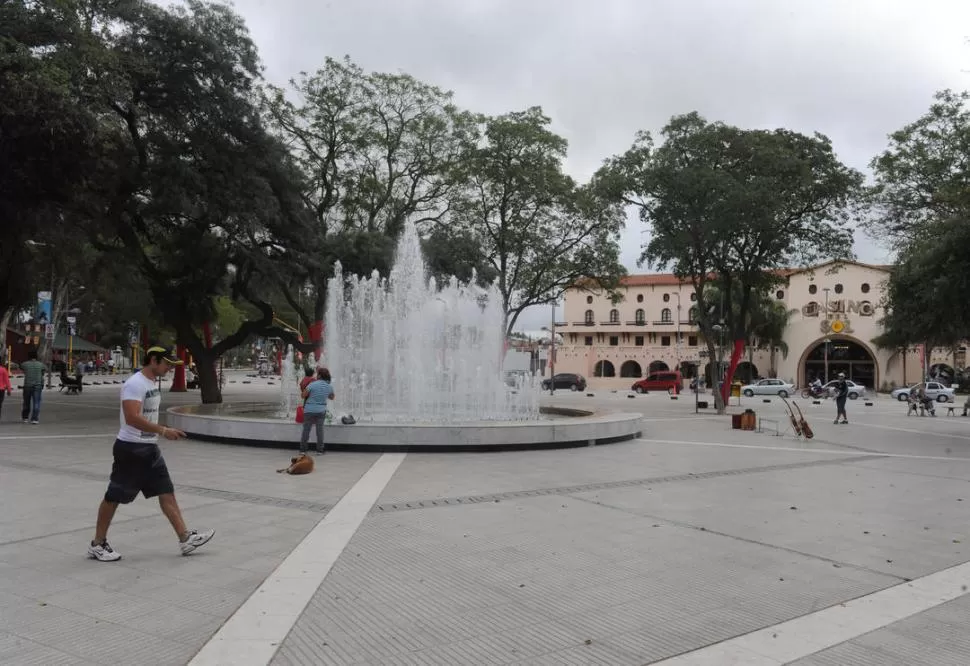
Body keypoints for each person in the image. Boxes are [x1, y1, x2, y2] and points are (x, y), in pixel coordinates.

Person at [88, 345, 214, 562]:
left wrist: (158, 433)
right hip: (131, 449)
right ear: (154, 360)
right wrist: (164, 430)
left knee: (166, 492)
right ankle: (98, 544)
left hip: (149, 449)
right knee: (114, 496)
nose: (169, 369)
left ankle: (185, 539)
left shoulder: (150, 383)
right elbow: (132, 418)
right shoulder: (135, 384)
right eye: (167, 364)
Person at [300, 367, 334, 455]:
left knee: (306, 430)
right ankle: (320, 450)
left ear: (319, 375)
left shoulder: (312, 384)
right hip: (321, 411)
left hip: (309, 410)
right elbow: (332, 397)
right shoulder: (329, 386)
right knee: (320, 431)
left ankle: (303, 450)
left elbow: (303, 395)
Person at [20, 349, 45, 424]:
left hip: (27, 385)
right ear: (36, 356)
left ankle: (25, 418)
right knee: (36, 402)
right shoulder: (41, 365)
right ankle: (35, 419)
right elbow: (43, 373)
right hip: (38, 386)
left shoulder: (24, 364)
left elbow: (22, 368)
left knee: (26, 402)